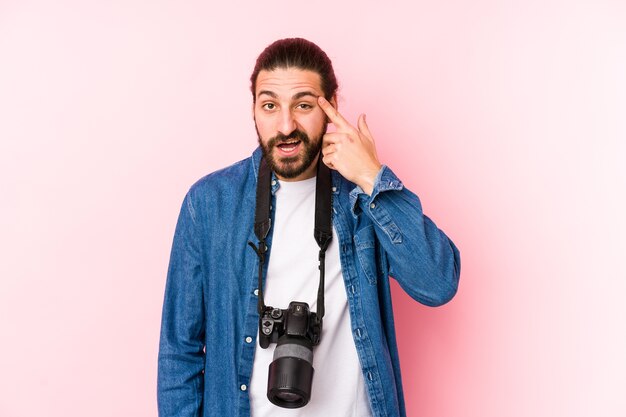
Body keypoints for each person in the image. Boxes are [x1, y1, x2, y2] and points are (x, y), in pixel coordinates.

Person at [157, 38, 461, 417]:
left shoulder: (360, 200)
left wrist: (372, 178)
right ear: (253, 109)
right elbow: (179, 351)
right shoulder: (209, 204)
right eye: (269, 105)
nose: (286, 126)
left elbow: (438, 283)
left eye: (303, 105)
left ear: (331, 106)